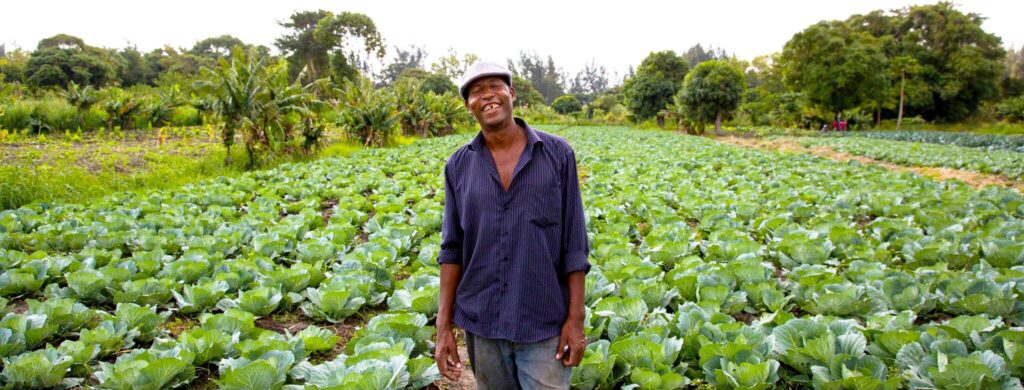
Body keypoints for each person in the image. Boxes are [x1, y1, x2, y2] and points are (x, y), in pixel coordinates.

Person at [433, 60, 591, 390]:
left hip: (543, 320)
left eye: (494, 86)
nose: (487, 96)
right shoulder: (458, 166)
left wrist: (576, 320)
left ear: (511, 93)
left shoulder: (557, 154)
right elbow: (452, 249)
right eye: (476, 91)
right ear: (468, 106)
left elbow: (574, 246)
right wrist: (443, 325)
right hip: (482, 321)